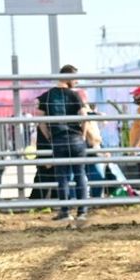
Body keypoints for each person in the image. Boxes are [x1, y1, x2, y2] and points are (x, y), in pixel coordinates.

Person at [37, 65, 88, 220]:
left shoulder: (46, 96)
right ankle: (82, 212)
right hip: (76, 139)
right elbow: (84, 117)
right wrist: (83, 136)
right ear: (68, 77)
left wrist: (50, 138)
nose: (77, 82)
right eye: (75, 78)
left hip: (58, 139)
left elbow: (40, 121)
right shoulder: (75, 96)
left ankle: (65, 212)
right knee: (80, 175)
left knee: (63, 176)